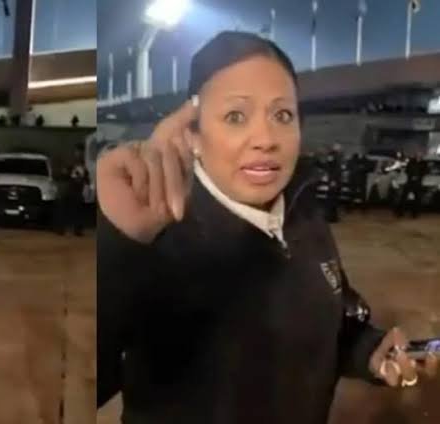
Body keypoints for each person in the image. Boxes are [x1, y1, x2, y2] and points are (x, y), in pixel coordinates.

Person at [97, 32, 437, 424]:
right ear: (193, 135)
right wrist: (116, 242)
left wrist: (370, 350)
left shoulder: (303, 215)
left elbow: (333, 320)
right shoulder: (158, 239)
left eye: (282, 115)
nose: (266, 139)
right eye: (236, 116)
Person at [395, 151, 428, 218]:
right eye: (418, 154)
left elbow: (425, 171)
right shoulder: (411, 161)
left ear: (422, 155)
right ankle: (400, 212)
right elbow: (407, 170)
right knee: (404, 197)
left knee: (417, 198)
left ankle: (414, 214)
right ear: (416, 155)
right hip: (410, 181)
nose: (419, 155)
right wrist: (411, 176)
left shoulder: (424, 163)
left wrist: (418, 176)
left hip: (418, 182)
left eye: (420, 154)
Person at [323, 143, 344, 222]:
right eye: (339, 147)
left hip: (336, 180)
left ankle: (333, 216)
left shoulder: (337, 156)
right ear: (335, 148)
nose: (340, 149)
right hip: (334, 180)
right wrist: (332, 180)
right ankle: (330, 217)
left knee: (334, 198)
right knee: (331, 198)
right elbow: (330, 168)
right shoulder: (332, 155)